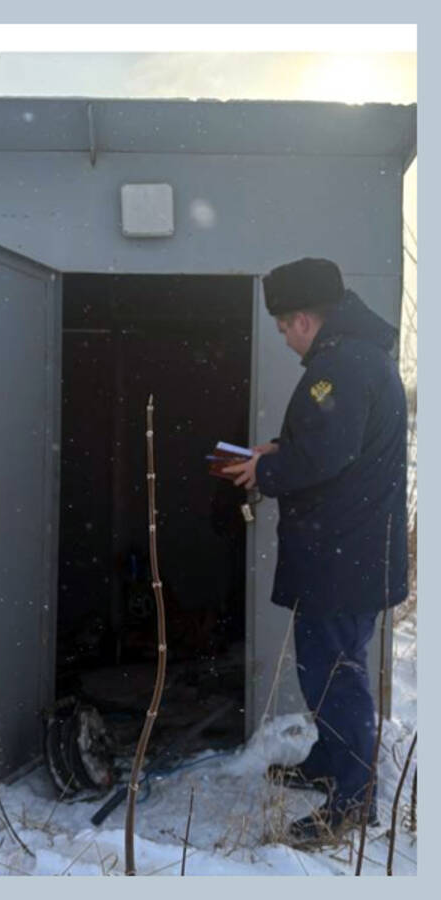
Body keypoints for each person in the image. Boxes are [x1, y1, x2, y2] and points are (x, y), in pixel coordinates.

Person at [223, 257, 408, 846]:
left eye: (282, 325)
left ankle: (352, 803)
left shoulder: (344, 364)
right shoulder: (354, 356)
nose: (282, 336)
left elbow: (327, 456)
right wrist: (278, 448)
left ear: (305, 318)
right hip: (347, 550)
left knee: (336, 675)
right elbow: (334, 442)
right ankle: (332, 759)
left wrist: (268, 469)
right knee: (330, 667)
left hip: (343, 554)